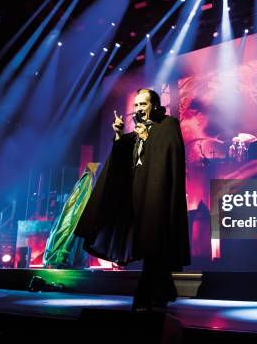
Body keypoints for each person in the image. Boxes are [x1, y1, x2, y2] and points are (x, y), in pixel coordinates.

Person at [75, 88, 190, 311]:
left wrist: (149, 139)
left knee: (154, 245)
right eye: (136, 105)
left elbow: (169, 156)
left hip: (157, 195)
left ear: (155, 106)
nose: (138, 109)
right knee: (151, 246)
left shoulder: (168, 125)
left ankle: (146, 297)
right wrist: (119, 134)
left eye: (143, 104)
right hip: (137, 196)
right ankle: (164, 291)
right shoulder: (137, 131)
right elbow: (121, 157)